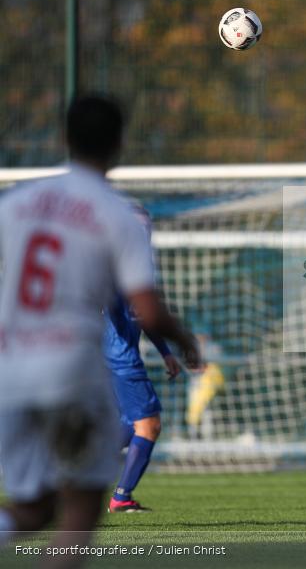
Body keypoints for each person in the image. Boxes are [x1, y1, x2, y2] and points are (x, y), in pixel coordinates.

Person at [0, 94, 200, 564]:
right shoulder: (118, 215)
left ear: (64, 138)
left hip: (10, 365)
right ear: (118, 144)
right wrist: (185, 340)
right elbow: (147, 307)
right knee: (82, 506)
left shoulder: (18, 202)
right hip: (69, 364)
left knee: (31, 509)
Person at [104, 203, 185, 513]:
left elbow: (144, 316)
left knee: (129, 423)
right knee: (149, 425)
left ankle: (76, 471)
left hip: (117, 359)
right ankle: (121, 496)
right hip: (119, 361)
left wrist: (165, 352)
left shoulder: (135, 267)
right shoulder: (115, 267)